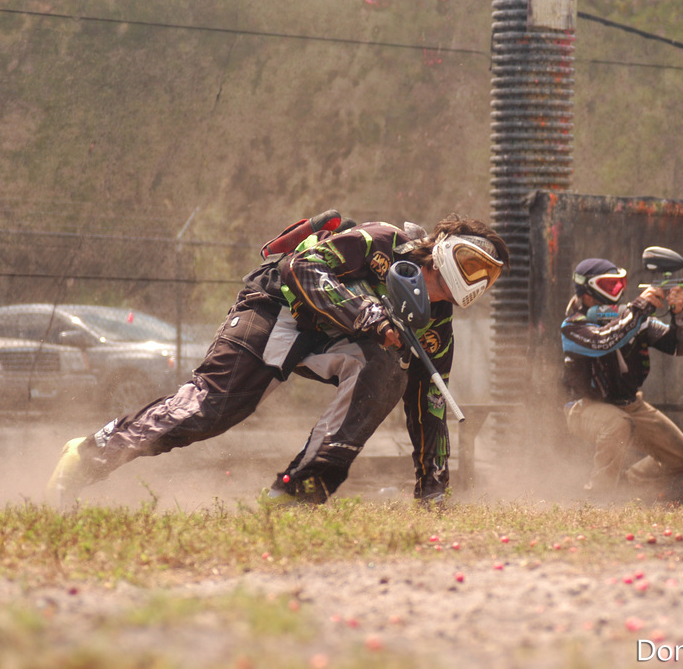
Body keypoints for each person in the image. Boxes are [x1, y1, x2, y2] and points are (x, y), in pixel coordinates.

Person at [45, 212, 509, 508]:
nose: (473, 282)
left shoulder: (436, 326)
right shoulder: (382, 241)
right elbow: (301, 266)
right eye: (473, 265)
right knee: (211, 410)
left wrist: (433, 491)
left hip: (332, 339)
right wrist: (367, 313)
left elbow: (430, 407)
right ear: (446, 247)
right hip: (277, 306)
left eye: (484, 279)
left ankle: (296, 494)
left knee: (389, 372)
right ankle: (87, 455)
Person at [559, 258, 683, 498]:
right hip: (584, 407)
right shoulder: (572, 326)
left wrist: (678, 312)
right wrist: (638, 310)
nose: (616, 291)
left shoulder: (633, 319)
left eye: (619, 284)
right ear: (587, 292)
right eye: (609, 285)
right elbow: (604, 341)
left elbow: (678, 345)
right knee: (617, 423)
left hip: (630, 404)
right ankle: (598, 498)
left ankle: (626, 487)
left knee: (682, 455)